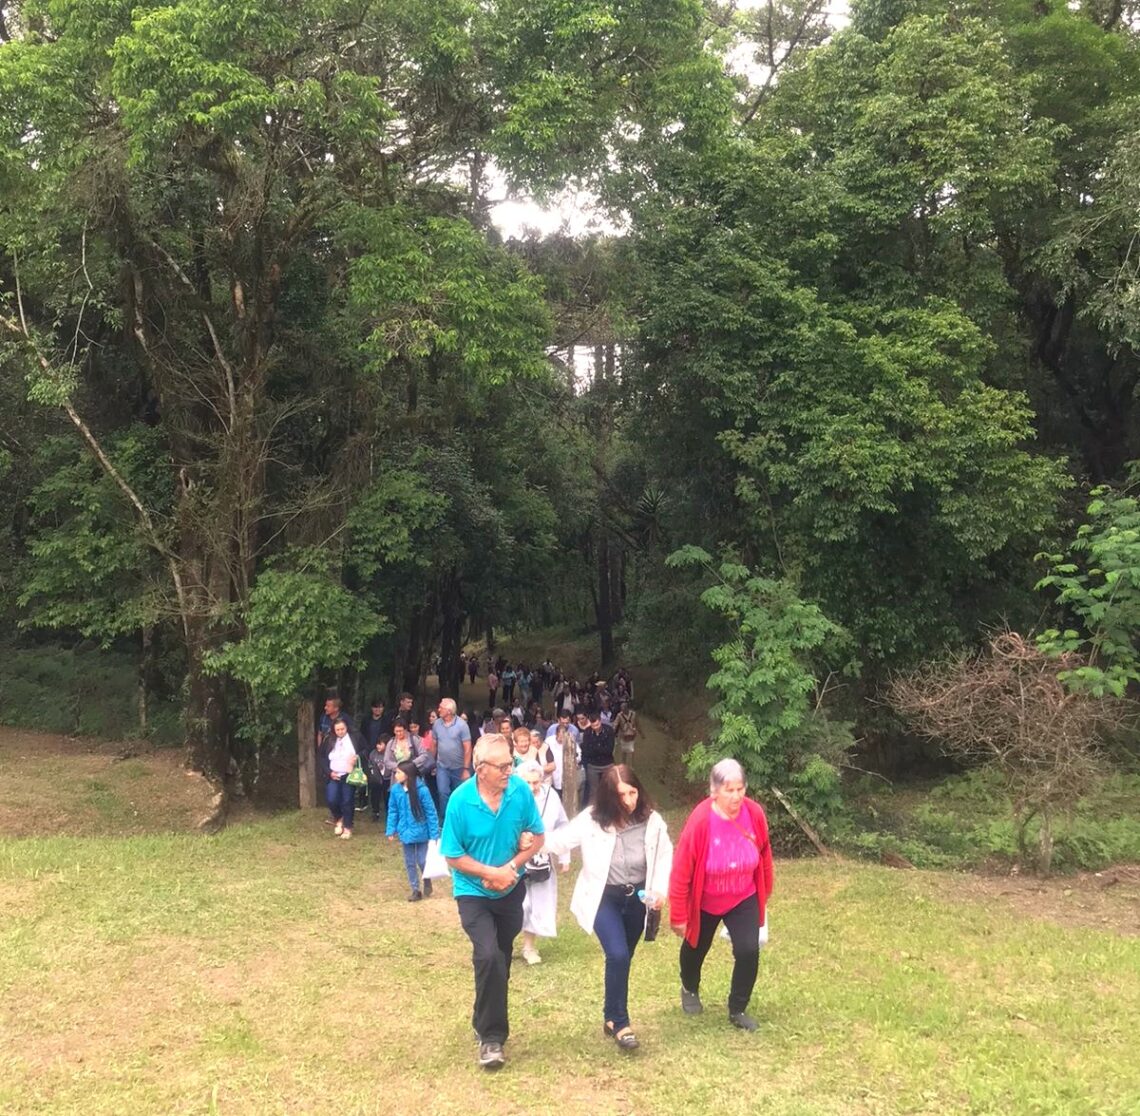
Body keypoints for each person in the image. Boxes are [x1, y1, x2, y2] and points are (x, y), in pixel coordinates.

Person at [544, 765, 673, 1052]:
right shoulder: (592, 820)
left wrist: (660, 890)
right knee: (617, 954)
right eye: (621, 795)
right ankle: (622, 1023)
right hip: (604, 898)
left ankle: (610, 1017)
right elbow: (558, 840)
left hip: (638, 900)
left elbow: (664, 855)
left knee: (622, 959)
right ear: (607, 797)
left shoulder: (652, 820)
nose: (629, 800)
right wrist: (530, 839)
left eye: (632, 792)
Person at [439, 734, 546, 1071]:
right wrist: (489, 872)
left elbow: (538, 835)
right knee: (488, 956)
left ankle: (481, 1016)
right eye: (502, 766)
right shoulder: (460, 800)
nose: (509, 771)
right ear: (480, 769)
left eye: (511, 764)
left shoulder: (519, 793)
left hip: (510, 891)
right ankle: (492, 1038)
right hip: (473, 892)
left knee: (498, 961)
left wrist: (511, 866)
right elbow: (452, 855)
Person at [669, 758, 774, 1033]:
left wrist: (766, 890)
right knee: (695, 948)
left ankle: (737, 1008)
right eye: (729, 790)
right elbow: (681, 870)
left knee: (748, 950)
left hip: (743, 894)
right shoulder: (701, 821)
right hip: (706, 898)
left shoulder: (754, 814)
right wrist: (679, 915)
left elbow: (764, 853)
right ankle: (689, 987)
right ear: (714, 791)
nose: (736, 796)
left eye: (740, 789)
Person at [516, 759, 569, 965]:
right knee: (517, 903)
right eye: (527, 783)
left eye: (535, 783)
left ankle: (529, 946)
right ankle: (506, 942)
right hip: (515, 858)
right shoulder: (512, 797)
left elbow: (562, 825)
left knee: (538, 903)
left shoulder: (552, 797)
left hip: (542, 860)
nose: (531, 787)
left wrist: (564, 856)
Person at [387, 760, 441, 901]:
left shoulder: (422, 790)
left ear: (408, 774)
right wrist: (391, 830)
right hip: (405, 832)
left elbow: (431, 812)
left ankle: (426, 877)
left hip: (421, 832)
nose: (396, 775)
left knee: (422, 861)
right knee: (409, 862)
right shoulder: (395, 790)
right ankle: (415, 890)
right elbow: (393, 811)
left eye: (399, 772)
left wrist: (434, 833)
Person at [431, 697, 473, 818]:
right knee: (442, 792)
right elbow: (434, 745)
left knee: (459, 795)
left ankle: (460, 819)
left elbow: (468, 748)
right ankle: (445, 819)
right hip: (442, 766)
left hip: (459, 767)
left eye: (441, 708)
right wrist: (432, 764)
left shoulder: (462, 725)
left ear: (449, 711)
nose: (438, 709)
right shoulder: (437, 724)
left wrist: (466, 769)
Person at [325, 717, 359, 839]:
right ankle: (339, 818)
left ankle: (348, 827)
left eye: (342, 729)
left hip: (348, 775)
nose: (340, 732)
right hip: (334, 775)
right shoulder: (329, 740)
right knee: (331, 799)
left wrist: (357, 758)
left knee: (347, 801)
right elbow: (322, 757)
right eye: (337, 729)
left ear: (346, 728)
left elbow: (365, 750)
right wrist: (329, 772)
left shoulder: (355, 738)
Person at [580, 710, 616, 808]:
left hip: (607, 764)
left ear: (600, 721)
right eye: (593, 726)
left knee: (609, 788)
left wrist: (595, 747)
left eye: (597, 725)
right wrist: (600, 748)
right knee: (593, 791)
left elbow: (609, 750)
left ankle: (611, 809)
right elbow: (587, 751)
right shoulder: (587, 732)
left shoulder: (609, 731)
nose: (595, 727)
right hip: (593, 765)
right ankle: (593, 810)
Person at [362, 699, 389, 820]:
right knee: (373, 782)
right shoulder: (366, 720)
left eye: (380, 707)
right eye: (375, 707)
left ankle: (388, 810)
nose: (378, 710)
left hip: (385, 754)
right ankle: (374, 810)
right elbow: (362, 735)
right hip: (370, 753)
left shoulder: (386, 721)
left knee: (386, 785)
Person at [614, 702, 639, 766]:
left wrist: (637, 731)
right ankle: (623, 765)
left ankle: (631, 766)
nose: (622, 709)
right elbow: (615, 724)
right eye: (621, 708)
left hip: (632, 735)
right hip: (623, 735)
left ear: (627, 708)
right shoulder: (619, 715)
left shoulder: (633, 714)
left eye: (623, 708)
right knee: (624, 751)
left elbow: (637, 723)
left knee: (631, 750)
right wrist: (613, 730)